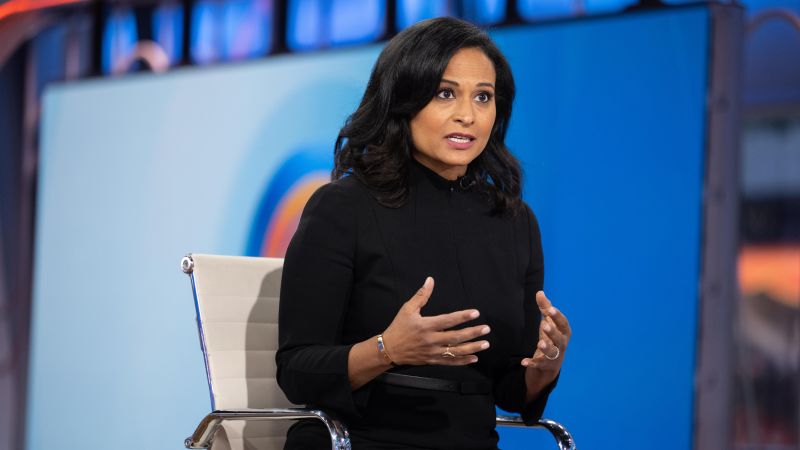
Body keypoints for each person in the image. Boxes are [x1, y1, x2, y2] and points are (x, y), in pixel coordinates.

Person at [276, 16, 572, 450]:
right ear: (403, 99)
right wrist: (389, 349)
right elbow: (297, 371)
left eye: (483, 97)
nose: (467, 115)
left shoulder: (514, 222)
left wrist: (545, 366)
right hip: (360, 438)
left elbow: (511, 390)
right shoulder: (342, 207)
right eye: (445, 93)